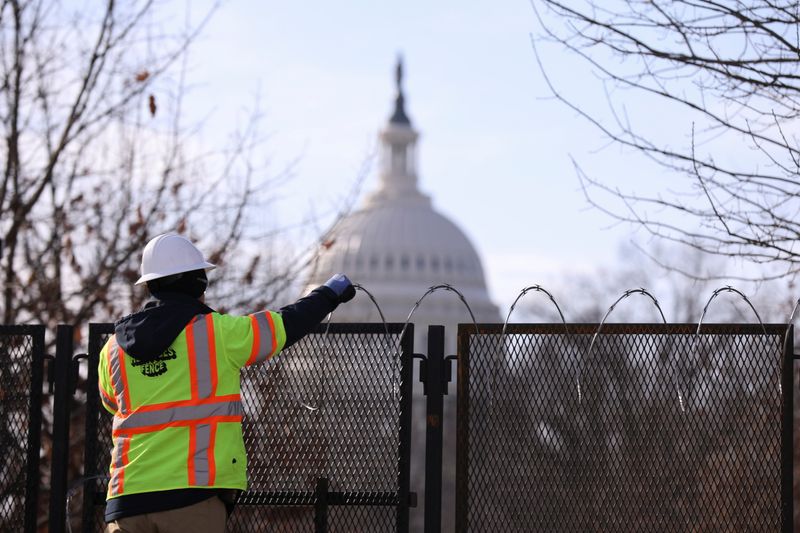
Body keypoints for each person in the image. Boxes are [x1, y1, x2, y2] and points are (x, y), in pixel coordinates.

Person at [98, 233, 355, 533]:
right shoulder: (217, 335)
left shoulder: (113, 348)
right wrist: (328, 294)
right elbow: (284, 325)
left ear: (151, 285)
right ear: (198, 284)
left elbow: (110, 402)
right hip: (193, 497)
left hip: (126, 501)